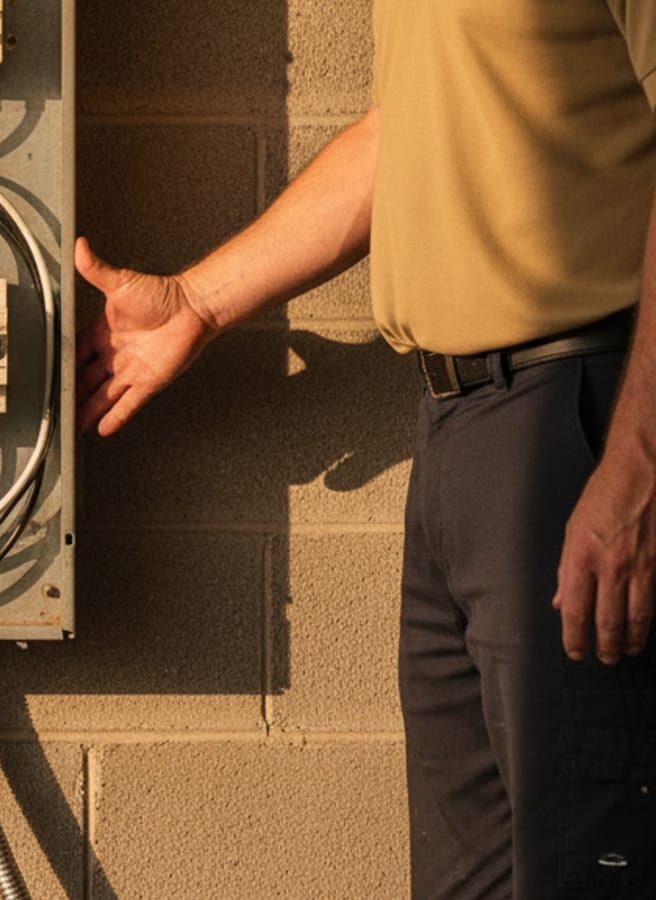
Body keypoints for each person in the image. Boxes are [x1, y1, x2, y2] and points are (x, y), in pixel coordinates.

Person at [75, 4, 656, 898]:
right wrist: (198, 301)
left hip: (580, 422)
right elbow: (398, 143)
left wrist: (637, 466)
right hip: (460, 431)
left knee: (591, 863)